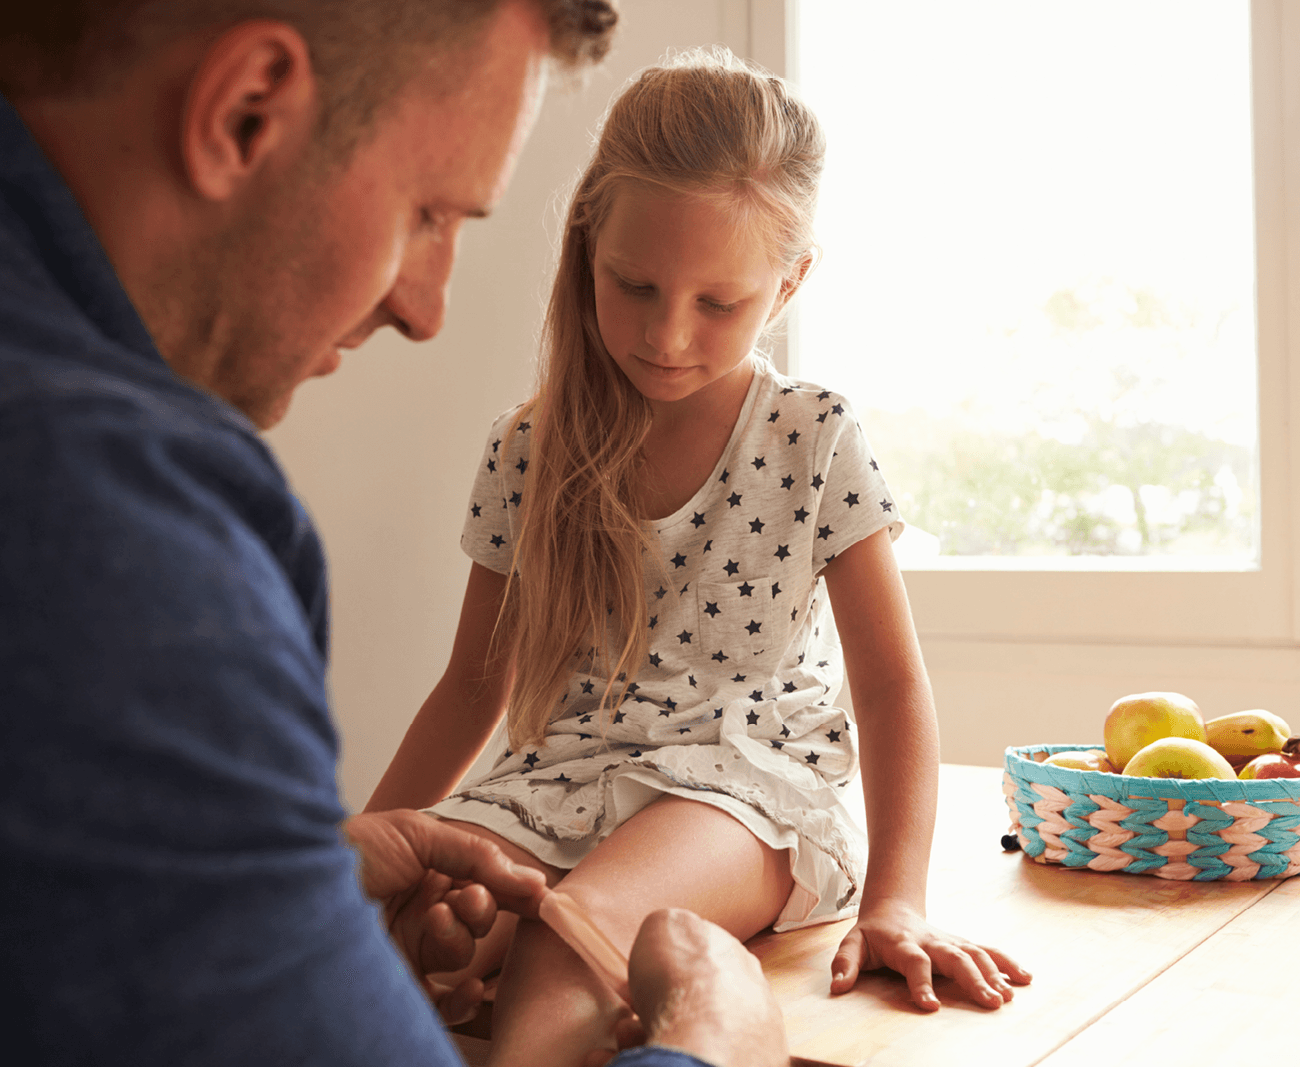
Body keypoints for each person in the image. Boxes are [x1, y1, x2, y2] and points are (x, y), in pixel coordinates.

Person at [0, 2, 790, 1065]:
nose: (426, 308)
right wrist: (707, 1045)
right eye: (429, 213)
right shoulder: (105, 514)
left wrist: (293, 871)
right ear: (244, 114)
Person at [366, 49, 1033, 1067]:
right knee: (403, 936)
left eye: (717, 304)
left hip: (743, 788)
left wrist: (898, 896)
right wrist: (343, 874)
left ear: (788, 284)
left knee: (568, 929)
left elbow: (891, 683)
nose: (667, 334)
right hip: (554, 781)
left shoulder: (813, 433)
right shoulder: (525, 447)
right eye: (632, 285)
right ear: (587, 242)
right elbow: (471, 684)